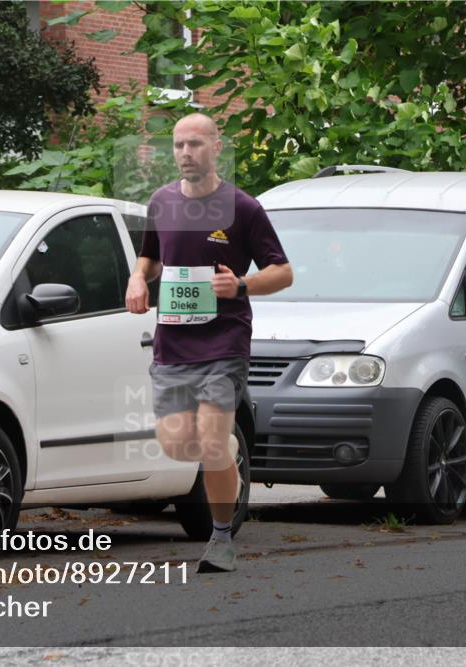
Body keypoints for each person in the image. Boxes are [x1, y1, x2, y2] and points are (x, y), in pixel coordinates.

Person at [125, 113, 293, 573]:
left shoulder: (244, 208)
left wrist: (240, 285)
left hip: (224, 344)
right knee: (179, 444)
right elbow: (151, 258)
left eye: (195, 144)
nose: (184, 153)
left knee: (214, 444)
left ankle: (221, 538)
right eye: (179, 145)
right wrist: (138, 280)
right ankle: (228, 458)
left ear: (217, 147)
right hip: (172, 346)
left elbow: (283, 272)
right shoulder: (161, 202)